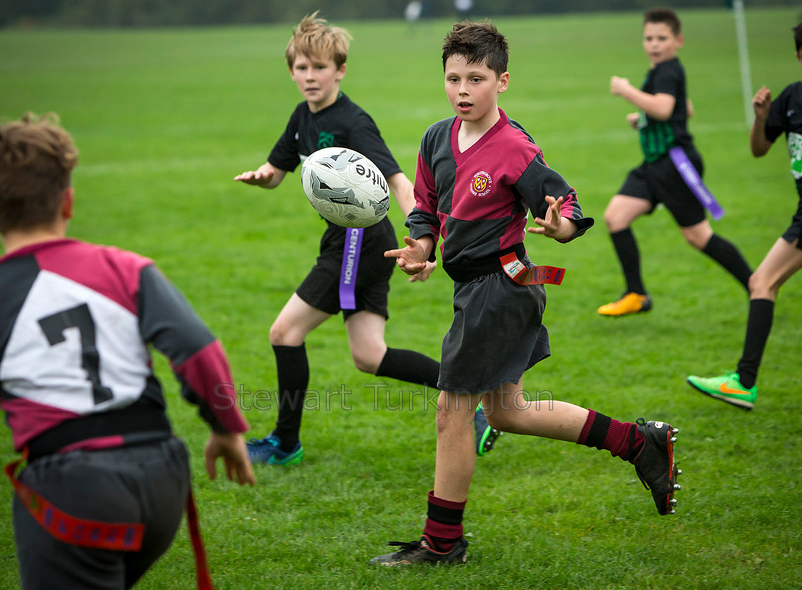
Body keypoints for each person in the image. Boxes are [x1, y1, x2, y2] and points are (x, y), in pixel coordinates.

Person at [370, 21, 681, 566]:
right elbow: (424, 204)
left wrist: (561, 227)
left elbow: (565, 206)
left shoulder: (515, 148)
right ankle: (637, 442)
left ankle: (442, 544)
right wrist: (420, 248)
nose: (463, 90)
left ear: (502, 81)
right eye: (453, 79)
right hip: (479, 289)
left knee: (452, 408)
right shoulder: (435, 138)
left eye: (476, 78)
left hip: (504, 286)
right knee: (509, 411)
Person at [0, 112, 256, 590]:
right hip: (162, 477)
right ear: (69, 201)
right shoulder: (124, 268)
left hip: (73, 490)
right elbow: (198, 349)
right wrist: (226, 429)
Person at [233, 12, 499, 465]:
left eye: (320, 67)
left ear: (340, 70)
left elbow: (398, 181)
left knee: (284, 332)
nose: (310, 77)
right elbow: (279, 171)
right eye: (302, 67)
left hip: (358, 245)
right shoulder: (302, 118)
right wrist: (263, 177)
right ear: (292, 71)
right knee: (369, 355)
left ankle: (284, 443)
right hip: (349, 246)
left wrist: (423, 239)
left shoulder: (353, 122)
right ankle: (475, 400)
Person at [597, 7, 751, 317]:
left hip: (675, 165)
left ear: (678, 40)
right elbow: (686, 108)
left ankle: (757, 286)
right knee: (616, 217)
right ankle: (637, 295)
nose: (654, 44)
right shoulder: (661, 70)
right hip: (654, 163)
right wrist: (642, 118)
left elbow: (667, 109)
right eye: (648, 38)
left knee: (698, 237)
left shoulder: (668, 69)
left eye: (662, 38)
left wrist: (628, 91)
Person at [686, 20, 802, 409]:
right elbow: (758, 149)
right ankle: (744, 382)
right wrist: (760, 116)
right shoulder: (791, 99)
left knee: (762, 282)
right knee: (762, 282)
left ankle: (744, 381)